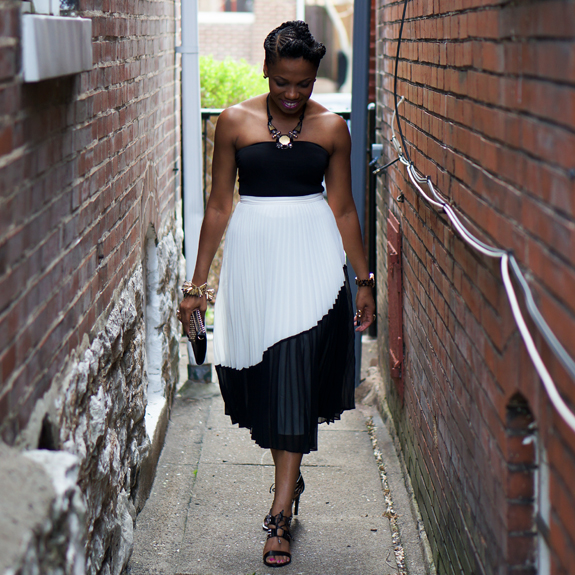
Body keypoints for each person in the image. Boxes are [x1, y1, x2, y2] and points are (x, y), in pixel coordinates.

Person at [178, 20, 375, 569]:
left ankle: (279, 515)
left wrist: (363, 281)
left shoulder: (333, 128)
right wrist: (196, 287)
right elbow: (219, 205)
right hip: (254, 264)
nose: (292, 94)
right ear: (265, 68)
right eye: (283, 81)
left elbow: (343, 208)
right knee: (268, 381)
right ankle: (290, 478)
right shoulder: (234, 122)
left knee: (294, 372)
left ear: (316, 76)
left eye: (304, 83)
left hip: (313, 264)